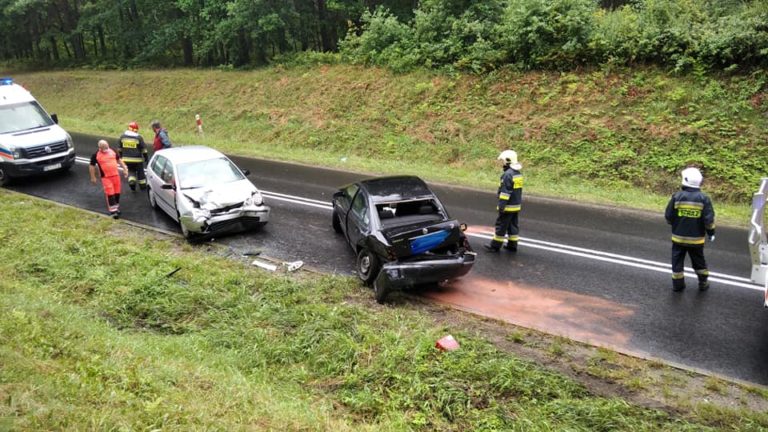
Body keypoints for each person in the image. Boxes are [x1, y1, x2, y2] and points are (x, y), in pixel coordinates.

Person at [664, 167, 716, 292]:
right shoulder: (704, 199)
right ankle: (703, 282)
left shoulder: (677, 196)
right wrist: (711, 233)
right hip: (696, 241)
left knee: (677, 262)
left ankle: (678, 285)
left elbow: (668, 216)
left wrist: (674, 224)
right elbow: (708, 220)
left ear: (685, 180)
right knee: (698, 261)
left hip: (678, 239)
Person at [484, 150, 523, 253]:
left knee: (501, 225)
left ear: (508, 161)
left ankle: (495, 246)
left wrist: (501, 206)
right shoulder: (517, 174)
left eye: (503, 161)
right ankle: (512, 245)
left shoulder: (507, 175)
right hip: (516, 205)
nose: (502, 163)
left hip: (508, 206)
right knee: (513, 226)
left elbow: (505, 193)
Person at [89, 139, 129, 219]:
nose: (106, 149)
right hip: (106, 178)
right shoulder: (96, 155)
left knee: (117, 193)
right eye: (104, 148)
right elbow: (91, 166)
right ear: (100, 148)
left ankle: (116, 208)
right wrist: (93, 177)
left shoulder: (112, 151)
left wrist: (125, 168)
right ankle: (113, 211)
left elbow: (119, 160)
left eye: (107, 147)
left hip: (116, 176)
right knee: (110, 194)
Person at [117, 121, 149, 191]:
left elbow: (119, 149)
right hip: (137, 160)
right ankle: (143, 187)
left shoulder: (122, 137)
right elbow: (144, 149)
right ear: (136, 129)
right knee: (141, 173)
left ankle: (132, 183)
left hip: (126, 160)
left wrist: (121, 158)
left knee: (131, 172)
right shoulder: (138, 137)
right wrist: (146, 157)